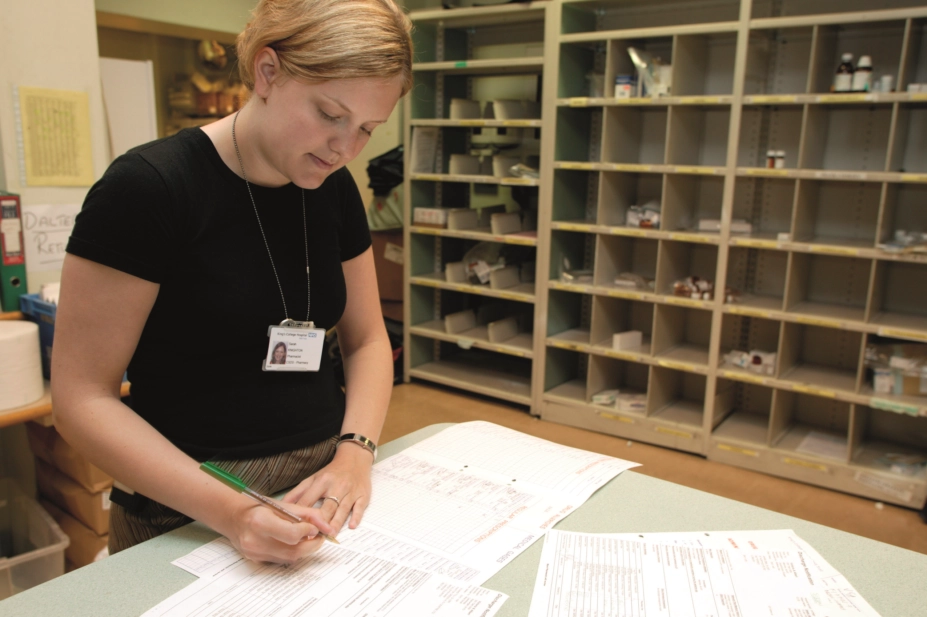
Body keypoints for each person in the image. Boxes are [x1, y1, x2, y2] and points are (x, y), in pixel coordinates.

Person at [51, 0, 412, 565]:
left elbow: (367, 340)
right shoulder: (150, 189)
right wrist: (234, 511)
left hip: (323, 487)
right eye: (329, 114)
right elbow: (81, 399)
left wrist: (355, 455)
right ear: (267, 73)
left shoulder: (333, 186)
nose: (346, 148)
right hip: (186, 504)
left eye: (368, 128)